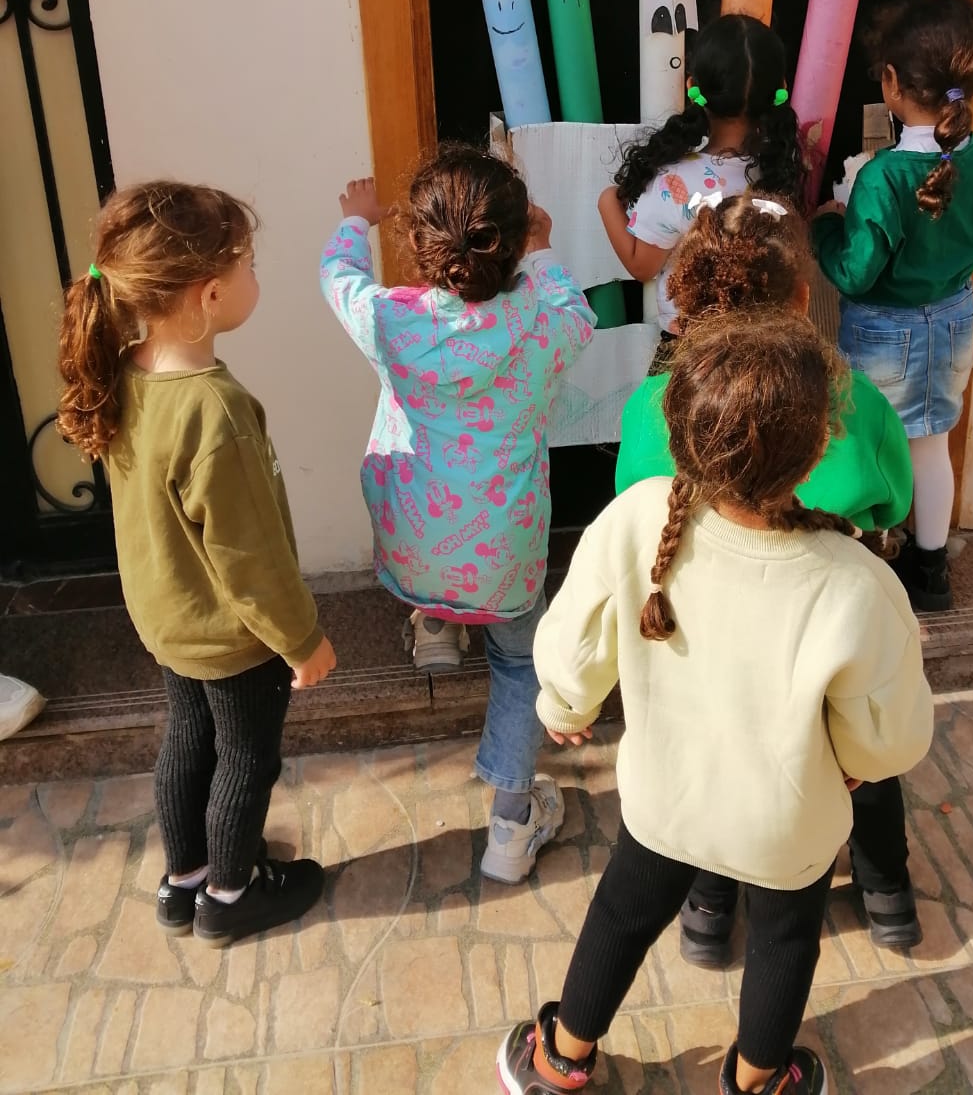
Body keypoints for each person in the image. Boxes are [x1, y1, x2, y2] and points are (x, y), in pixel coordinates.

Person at [497, 313, 933, 1095]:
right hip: (787, 824)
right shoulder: (858, 582)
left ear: (681, 430)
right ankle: (760, 1080)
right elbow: (890, 737)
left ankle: (559, 1058)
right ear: (818, 451)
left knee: (621, 914)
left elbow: (571, 644)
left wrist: (564, 705)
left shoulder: (637, 516)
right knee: (785, 939)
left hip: (665, 798)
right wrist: (858, 767)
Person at [616, 191, 921, 958]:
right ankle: (887, 892)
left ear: (689, 293)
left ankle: (708, 906)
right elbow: (894, 499)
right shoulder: (854, 399)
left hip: (709, 641)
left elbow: (634, 507)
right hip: (823, 635)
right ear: (801, 297)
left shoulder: (650, 404)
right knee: (861, 750)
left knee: (722, 761)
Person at [57, 182, 334, 947]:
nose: (255, 275)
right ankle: (230, 893)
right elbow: (250, 557)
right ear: (210, 295)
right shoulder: (215, 410)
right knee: (246, 755)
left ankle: (184, 880)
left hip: (166, 617)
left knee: (187, 737)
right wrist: (302, 640)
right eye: (248, 264)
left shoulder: (126, 370)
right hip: (231, 635)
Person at [319, 149, 594, 883]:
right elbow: (579, 313)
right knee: (518, 663)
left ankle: (435, 626)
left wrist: (354, 221)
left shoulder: (390, 321)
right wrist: (543, 252)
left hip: (414, 543)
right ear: (513, 242)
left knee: (436, 558)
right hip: (501, 554)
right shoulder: (542, 326)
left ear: (418, 242)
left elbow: (337, 277)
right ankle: (510, 826)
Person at [812, 0, 973, 613]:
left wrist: (826, 226)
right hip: (954, 321)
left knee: (862, 439)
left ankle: (864, 562)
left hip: (884, 332)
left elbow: (855, 272)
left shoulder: (882, 177)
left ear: (893, 83)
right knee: (931, 446)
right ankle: (931, 572)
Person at [597, 13, 802, 364]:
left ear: (693, 86)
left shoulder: (671, 183)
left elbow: (641, 267)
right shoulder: (780, 176)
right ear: (780, 90)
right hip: (762, 354)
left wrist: (606, 202)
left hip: (689, 350)